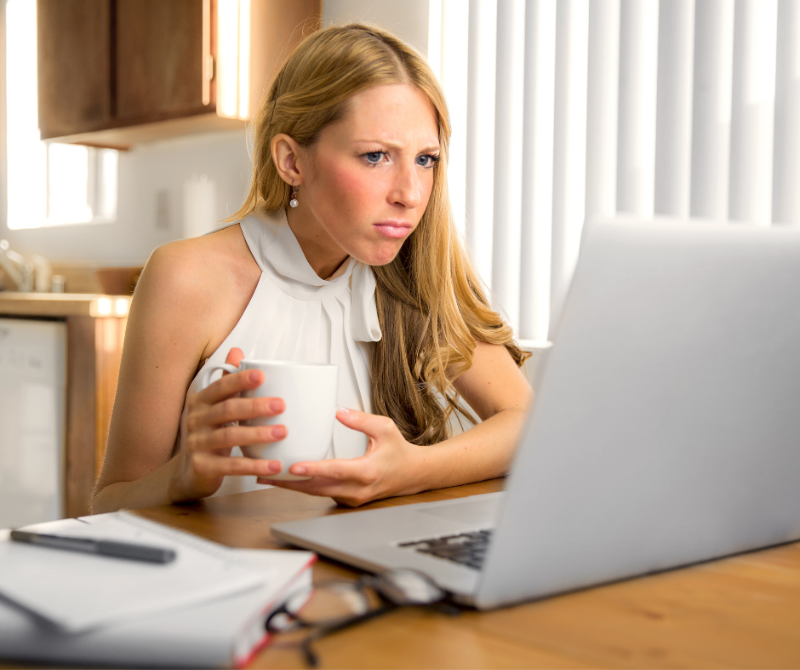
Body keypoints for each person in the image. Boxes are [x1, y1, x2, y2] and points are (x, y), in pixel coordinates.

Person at [92, 23, 532, 514]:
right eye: (375, 156)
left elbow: (527, 420)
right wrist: (180, 478)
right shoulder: (185, 277)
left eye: (426, 159)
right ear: (291, 161)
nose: (409, 193)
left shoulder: (416, 275)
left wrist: (410, 471)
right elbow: (108, 502)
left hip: (356, 578)